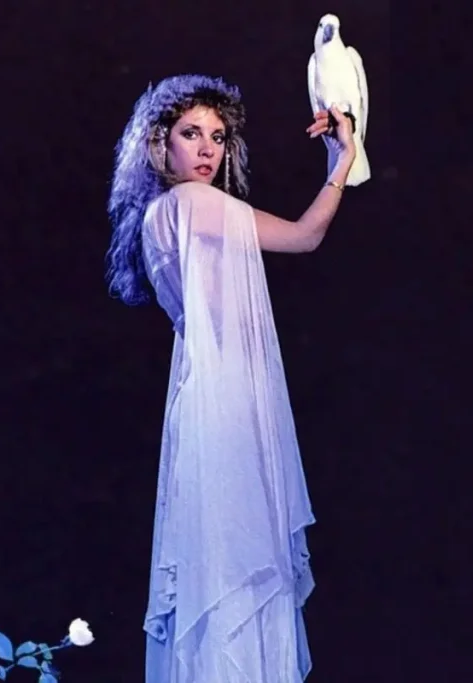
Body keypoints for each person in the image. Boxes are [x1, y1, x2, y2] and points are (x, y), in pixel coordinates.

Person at [105, 74, 356, 683]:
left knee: (216, 570)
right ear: (159, 143)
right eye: (191, 133)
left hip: (199, 402)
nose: (207, 149)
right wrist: (343, 161)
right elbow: (304, 236)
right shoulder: (194, 203)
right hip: (226, 405)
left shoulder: (156, 218)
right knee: (239, 570)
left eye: (217, 137)